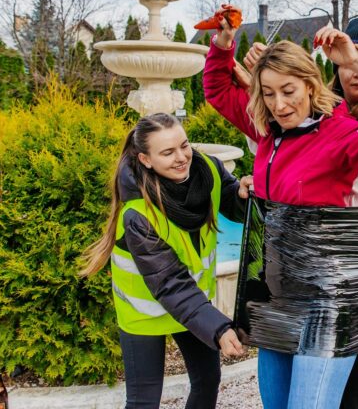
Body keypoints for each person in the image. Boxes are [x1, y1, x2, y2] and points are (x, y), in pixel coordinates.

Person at [203, 4, 358, 408]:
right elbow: (217, 90)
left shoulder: (338, 132)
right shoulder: (269, 130)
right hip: (276, 296)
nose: (279, 104)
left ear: (309, 84)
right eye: (268, 94)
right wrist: (223, 45)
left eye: (288, 91)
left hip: (328, 302)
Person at [79, 113, 250, 409]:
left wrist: (244, 196)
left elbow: (229, 200)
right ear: (145, 160)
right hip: (145, 311)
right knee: (144, 401)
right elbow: (170, 282)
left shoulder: (207, 167)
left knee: (208, 381)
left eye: (184, 145)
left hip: (193, 304)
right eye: (168, 152)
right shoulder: (137, 213)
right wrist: (218, 328)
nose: (182, 157)